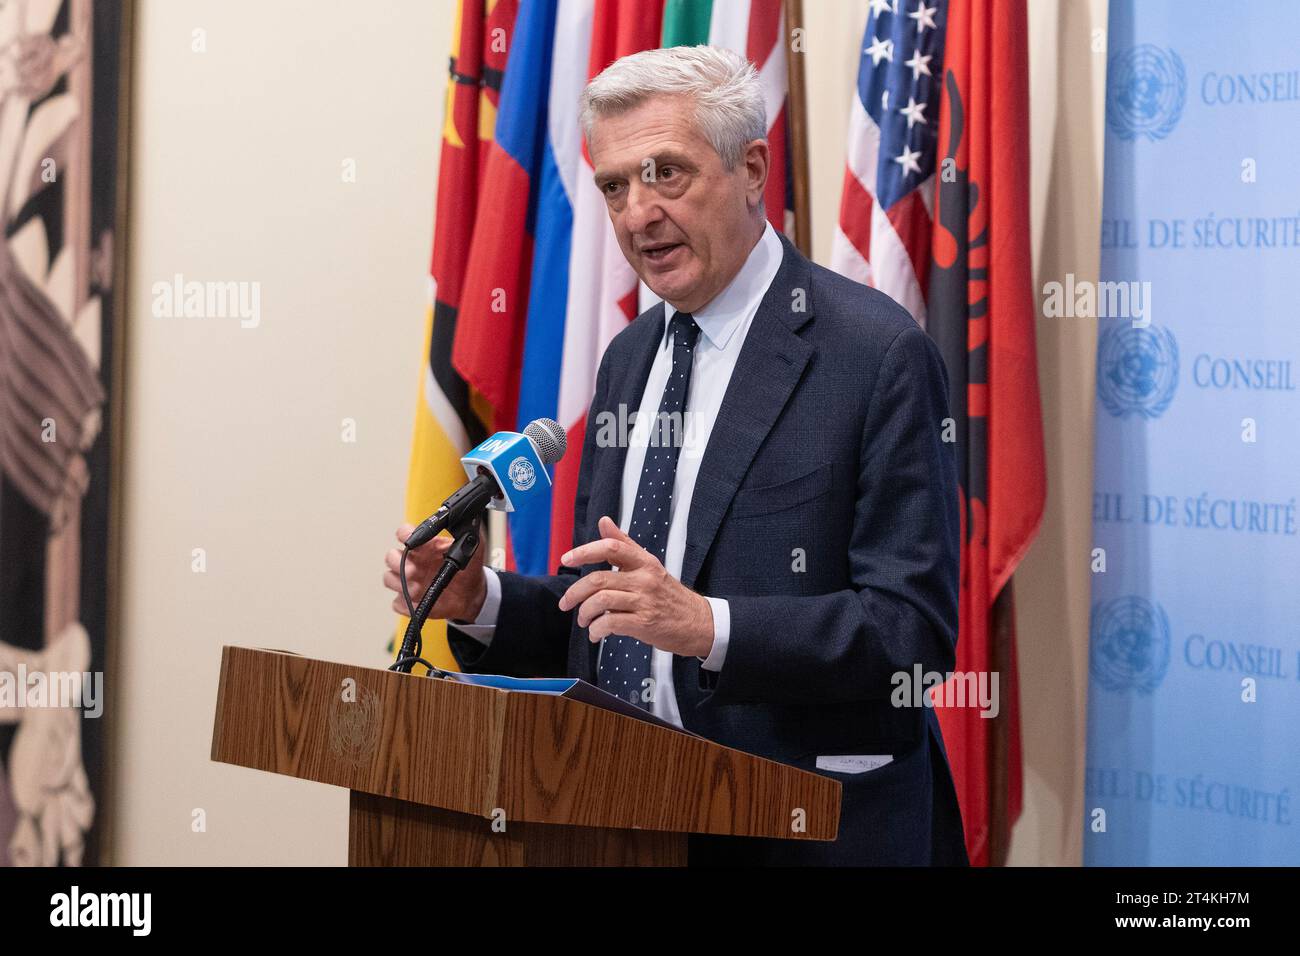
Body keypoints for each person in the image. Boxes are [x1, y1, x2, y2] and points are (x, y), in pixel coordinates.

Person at [384, 45, 967, 866]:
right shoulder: (629, 359)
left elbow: (910, 634)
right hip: (626, 820)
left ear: (753, 167)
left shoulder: (873, 354)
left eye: (666, 173)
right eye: (615, 186)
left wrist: (708, 626)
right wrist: (480, 600)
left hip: (808, 832)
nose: (636, 214)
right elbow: (614, 616)